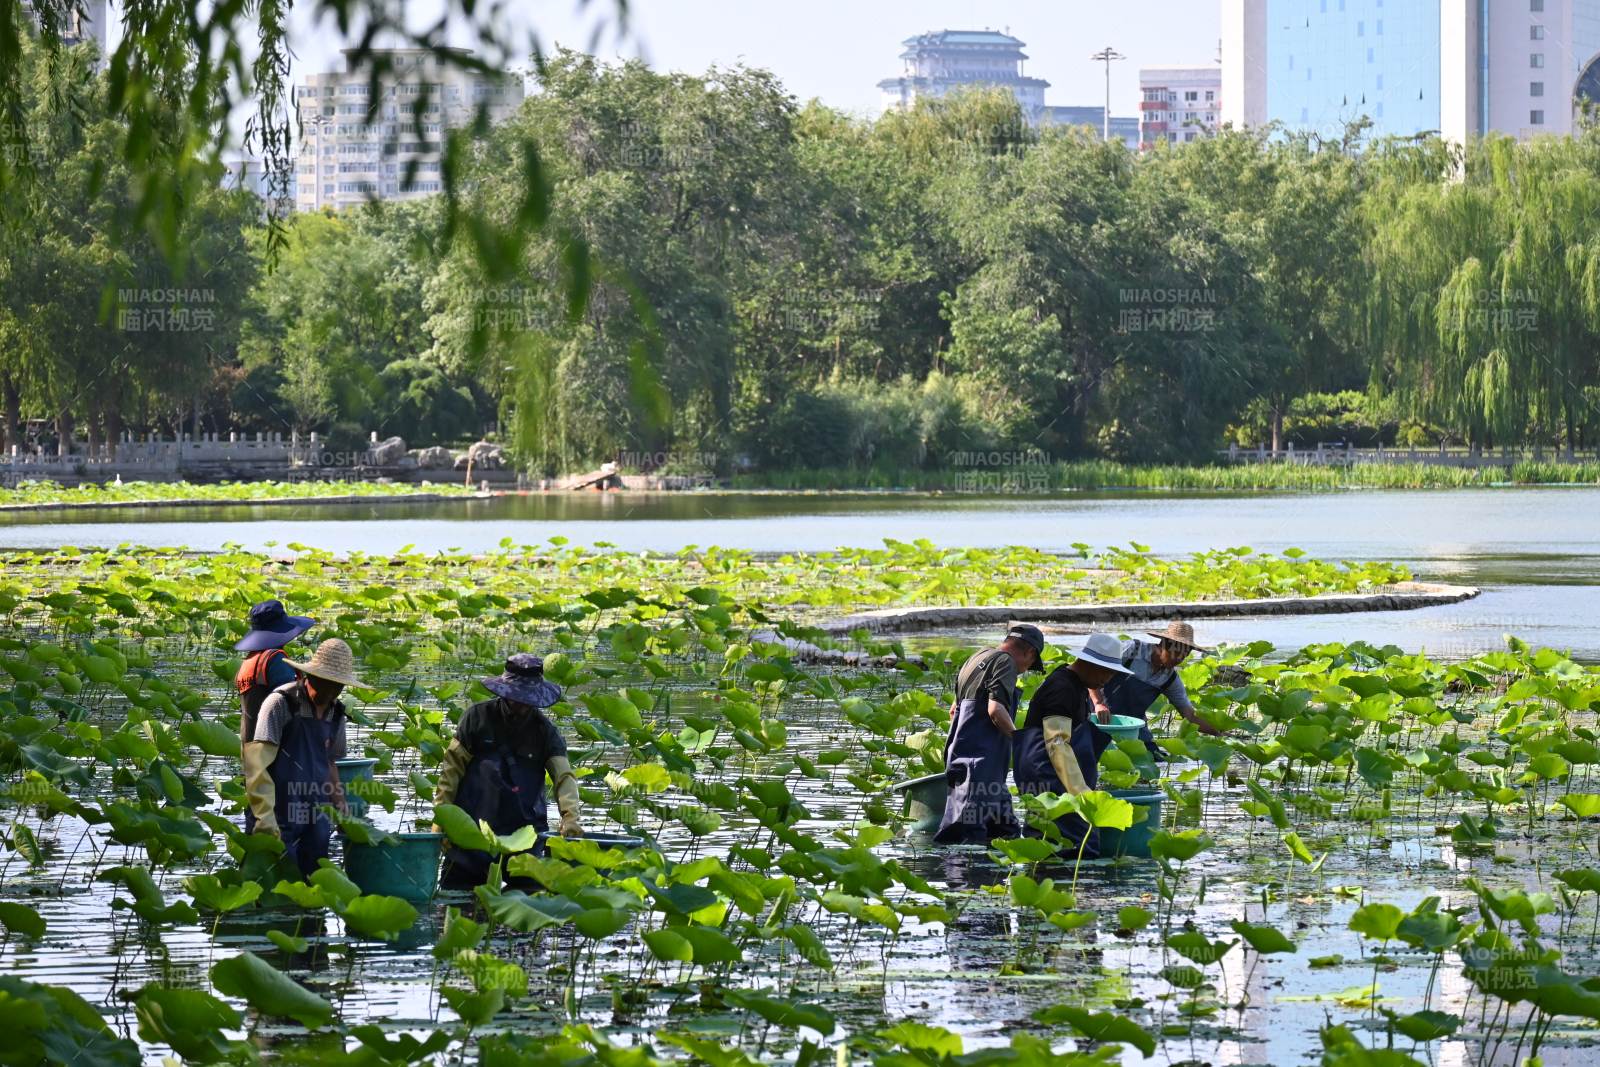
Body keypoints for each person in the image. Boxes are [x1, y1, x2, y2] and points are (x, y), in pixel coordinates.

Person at [435, 654, 583, 889]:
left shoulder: (546, 732)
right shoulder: (476, 718)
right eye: (515, 697)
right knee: (457, 907)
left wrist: (570, 817)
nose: (521, 704)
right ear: (503, 691)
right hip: (472, 834)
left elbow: (564, 777)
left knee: (527, 911)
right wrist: (441, 820)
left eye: (527, 699)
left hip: (524, 836)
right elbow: (451, 772)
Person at [243, 638, 360, 875]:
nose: (332, 692)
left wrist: (344, 815)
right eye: (328, 683)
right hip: (277, 814)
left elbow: (330, 764)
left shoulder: (336, 713)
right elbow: (257, 766)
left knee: (313, 891)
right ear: (310, 676)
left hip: (315, 815)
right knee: (274, 890)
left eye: (339, 686)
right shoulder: (280, 703)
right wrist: (265, 821)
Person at [1012, 632, 1133, 858]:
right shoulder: (1063, 688)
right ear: (1088, 663)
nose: (1107, 680)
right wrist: (1081, 793)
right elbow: (1057, 744)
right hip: (1049, 774)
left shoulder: (1074, 682)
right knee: (1077, 845)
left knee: (1045, 841)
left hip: (1045, 773)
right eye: (1106, 671)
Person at [932, 625, 1045, 845]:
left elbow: (954, 710)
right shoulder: (1006, 662)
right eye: (1031, 664)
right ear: (1030, 653)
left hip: (967, 760)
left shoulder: (977, 657)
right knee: (967, 834)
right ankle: (966, 877)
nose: (1025, 669)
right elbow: (995, 710)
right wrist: (1021, 742)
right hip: (980, 764)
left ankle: (995, 876)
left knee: (1005, 828)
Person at [1090, 621, 1220, 758]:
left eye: (1185, 655)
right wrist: (1099, 703)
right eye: (1176, 652)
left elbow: (1190, 716)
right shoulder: (1131, 651)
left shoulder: (1170, 680)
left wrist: (1218, 733)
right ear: (1163, 644)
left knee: (1155, 758)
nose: (1180, 659)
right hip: (1101, 716)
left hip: (1134, 725)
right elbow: (1092, 671)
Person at [233, 599, 316, 758]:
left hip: (251, 751)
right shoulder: (275, 659)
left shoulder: (250, 660)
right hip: (277, 751)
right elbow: (291, 705)